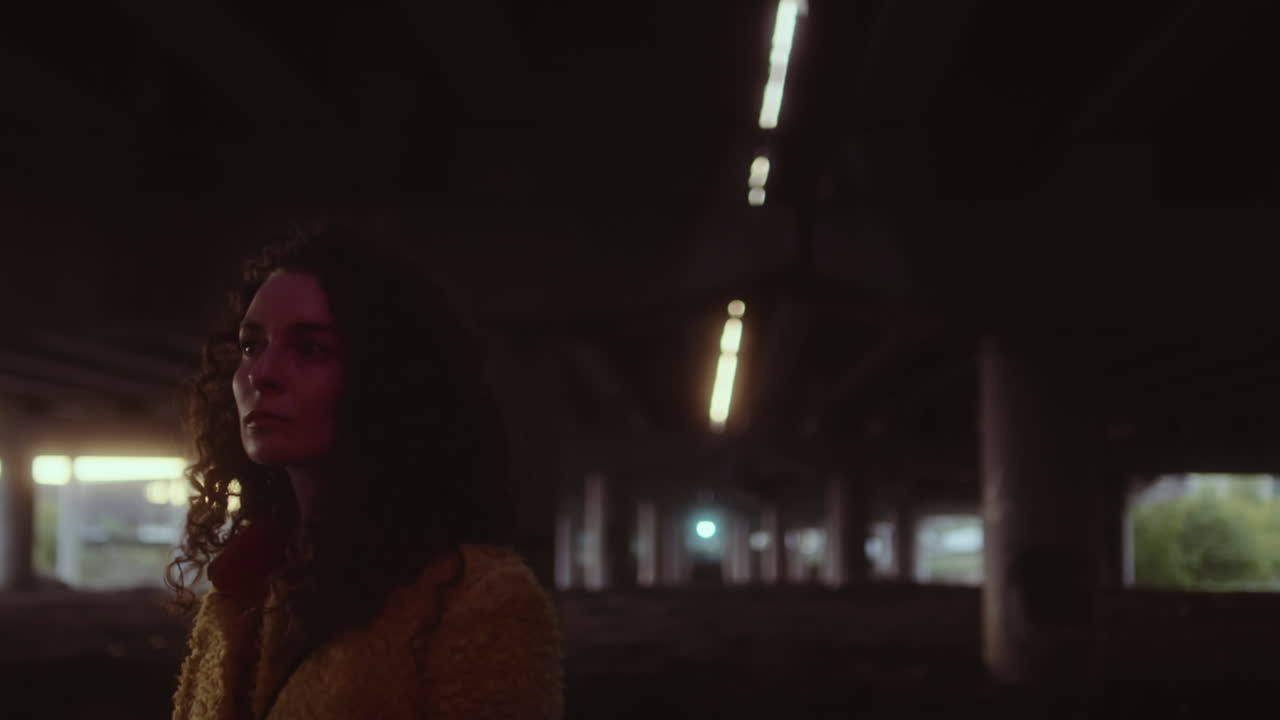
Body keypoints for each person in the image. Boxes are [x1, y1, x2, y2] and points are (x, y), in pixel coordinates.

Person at [167, 225, 564, 720]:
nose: (262, 373)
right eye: (252, 346)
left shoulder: (475, 603)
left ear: (386, 379)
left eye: (310, 348)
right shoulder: (240, 592)